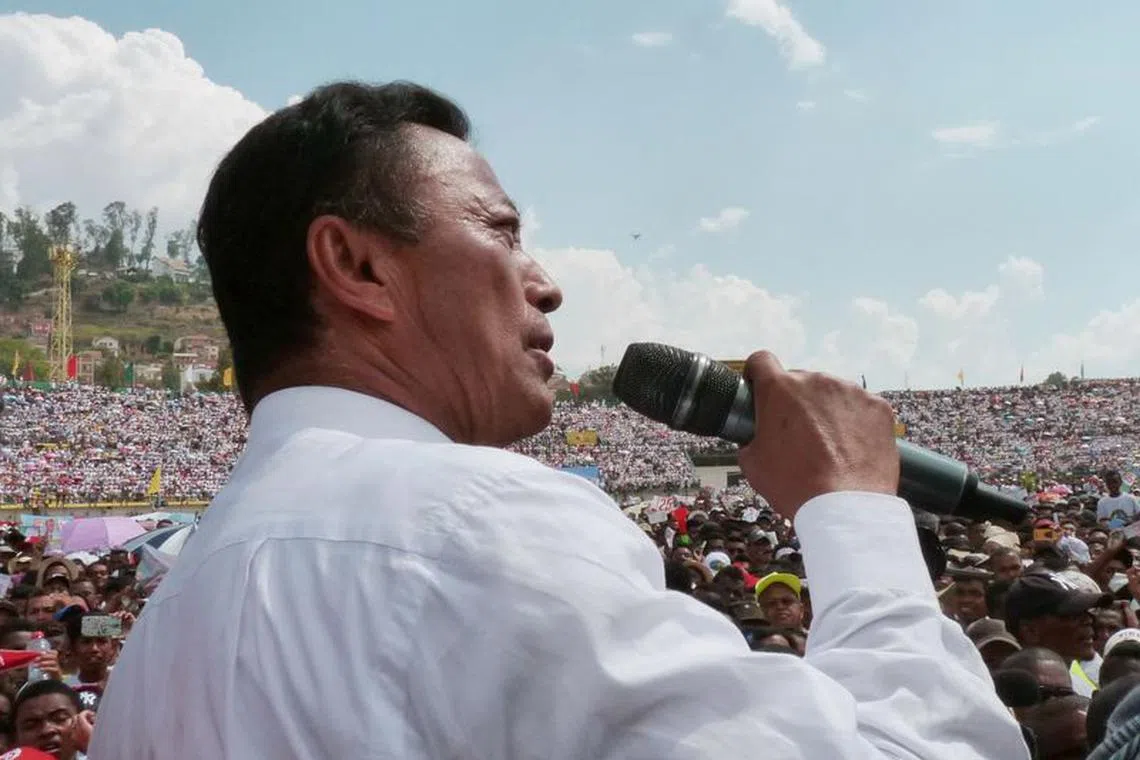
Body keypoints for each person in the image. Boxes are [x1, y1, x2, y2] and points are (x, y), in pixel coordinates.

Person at [90, 81, 1026, 758]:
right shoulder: (473, 523)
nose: (546, 282)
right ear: (358, 266)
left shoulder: (168, 627)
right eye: (500, 232)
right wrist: (853, 510)